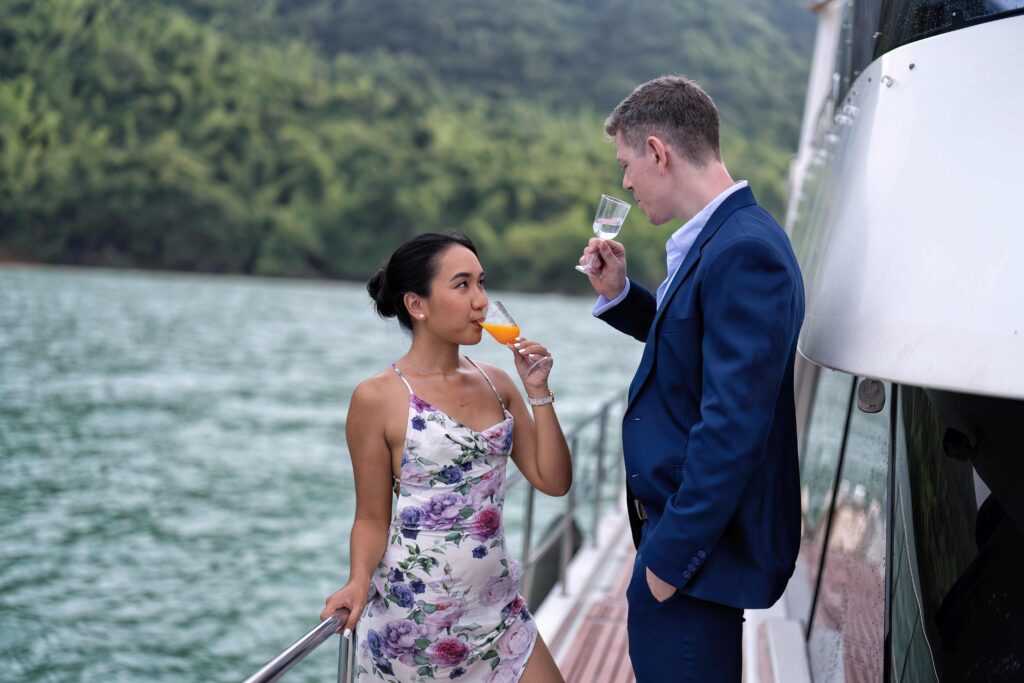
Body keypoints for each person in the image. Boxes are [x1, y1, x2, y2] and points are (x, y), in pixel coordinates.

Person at [580, 76, 805, 682]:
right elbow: (693, 342)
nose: (624, 181)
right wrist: (623, 296)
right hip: (683, 551)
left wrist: (666, 564)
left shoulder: (742, 250)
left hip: (690, 563)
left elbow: (733, 424)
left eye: (627, 163)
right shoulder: (727, 238)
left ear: (658, 152)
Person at [321, 231, 570, 683]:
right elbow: (372, 517)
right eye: (462, 285)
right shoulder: (378, 397)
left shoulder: (498, 383)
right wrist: (357, 581)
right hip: (413, 626)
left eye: (481, 283)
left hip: (499, 613)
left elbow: (554, 481)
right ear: (417, 304)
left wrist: (539, 393)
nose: (480, 301)